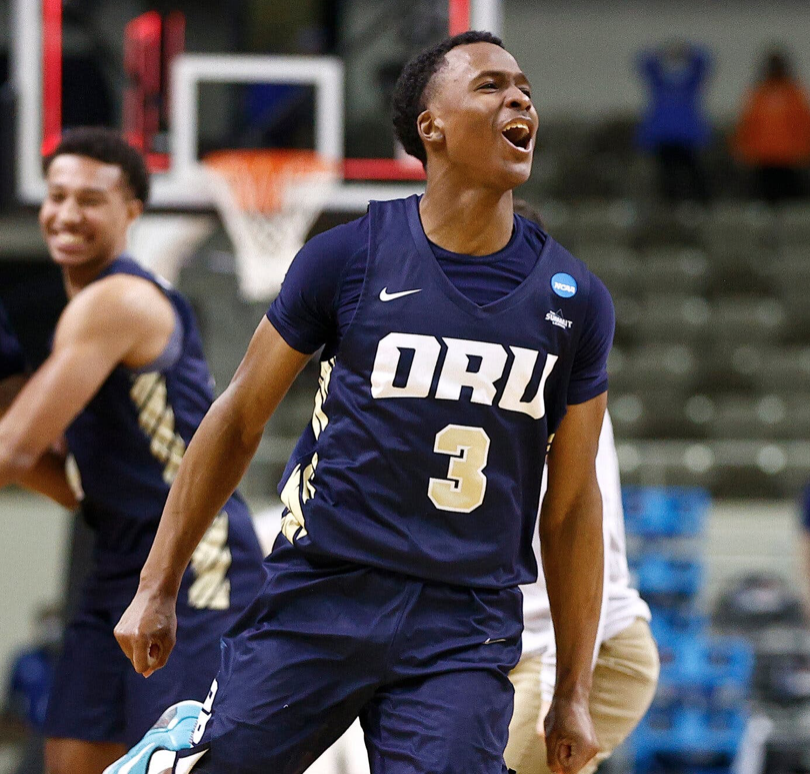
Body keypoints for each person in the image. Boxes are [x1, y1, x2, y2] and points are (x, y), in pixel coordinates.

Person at [112, 30, 614, 774]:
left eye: (525, 90)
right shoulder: (348, 256)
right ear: (430, 126)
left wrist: (572, 687)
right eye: (490, 85)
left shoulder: (576, 302)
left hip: (462, 625)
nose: (519, 99)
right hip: (324, 591)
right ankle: (194, 737)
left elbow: (571, 507)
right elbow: (239, 418)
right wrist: (158, 584)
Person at [0, 127, 265, 774]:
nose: (67, 213)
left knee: (170, 766)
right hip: (118, 559)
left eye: (90, 199)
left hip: (195, 564)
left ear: (132, 211)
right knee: (73, 758)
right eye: (56, 196)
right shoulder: (82, 316)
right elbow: (49, 469)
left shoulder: (116, 301)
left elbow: (13, 449)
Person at [505, 412, 659, 774]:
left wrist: (561, 686)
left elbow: (590, 542)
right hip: (512, 646)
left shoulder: (571, 382)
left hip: (594, 651)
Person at [635, 42, 712, 202]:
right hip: (665, 137)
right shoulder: (660, 85)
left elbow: (702, 63)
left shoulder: (688, 86)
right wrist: (660, 52)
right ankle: (671, 204)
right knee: (667, 174)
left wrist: (687, 51)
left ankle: (701, 202)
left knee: (693, 172)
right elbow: (645, 64)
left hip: (684, 138)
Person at [732, 49, 810, 204]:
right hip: (763, 156)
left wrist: (804, 149)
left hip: (788, 156)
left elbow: (803, 124)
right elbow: (748, 124)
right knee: (764, 196)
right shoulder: (759, 93)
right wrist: (742, 148)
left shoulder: (793, 93)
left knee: (790, 197)